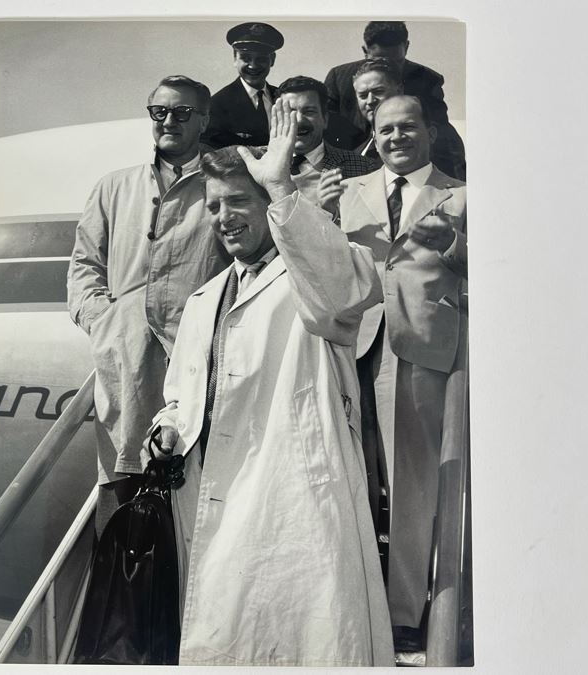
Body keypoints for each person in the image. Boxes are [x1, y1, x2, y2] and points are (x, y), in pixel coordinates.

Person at [146, 99, 393, 666]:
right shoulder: (204, 298)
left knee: (307, 638)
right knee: (230, 638)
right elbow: (179, 395)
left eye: (238, 201)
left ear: (271, 206)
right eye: (214, 206)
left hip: (294, 496)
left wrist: (283, 189)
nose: (224, 217)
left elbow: (348, 291)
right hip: (217, 493)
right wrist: (165, 428)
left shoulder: (313, 274)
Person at [67, 75, 230, 536]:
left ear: (204, 120)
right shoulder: (113, 187)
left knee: (196, 502)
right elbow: (84, 267)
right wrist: (106, 322)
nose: (169, 121)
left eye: (182, 113)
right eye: (160, 112)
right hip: (127, 366)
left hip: (200, 366)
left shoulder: (221, 187)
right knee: (121, 496)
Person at [337, 95, 467, 650]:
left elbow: (501, 267)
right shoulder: (345, 194)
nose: (396, 137)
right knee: (349, 480)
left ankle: (404, 616)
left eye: (407, 127)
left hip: (420, 350)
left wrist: (457, 247)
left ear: (430, 132)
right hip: (348, 348)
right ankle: (351, 606)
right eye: (385, 129)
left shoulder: (462, 195)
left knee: (414, 487)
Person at [324, 21, 466, 180]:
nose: (389, 69)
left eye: (397, 62)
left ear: (406, 47)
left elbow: (441, 135)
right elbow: (328, 132)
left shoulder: (427, 79)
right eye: (379, 61)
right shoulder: (339, 77)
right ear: (365, 51)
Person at [274, 75, 377, 218]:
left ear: (325, 119)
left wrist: (329, 213)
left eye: (309, 111)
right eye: (290, 112)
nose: (299, 120)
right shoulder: (258, 165)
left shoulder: (363, 168)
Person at [201, 22, 284, 149]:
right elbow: (210, 152)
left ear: (272, 60)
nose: (253, 65)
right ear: (235, 59)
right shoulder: (218, 104)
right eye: (245, 58)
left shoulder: (282, 98)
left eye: (261, 59)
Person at [350, 58, 403, 160]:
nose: (370, 101)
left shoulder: (421, 141)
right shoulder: (356, 155)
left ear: (399, 91)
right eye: (363, 95)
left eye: (378, 91)